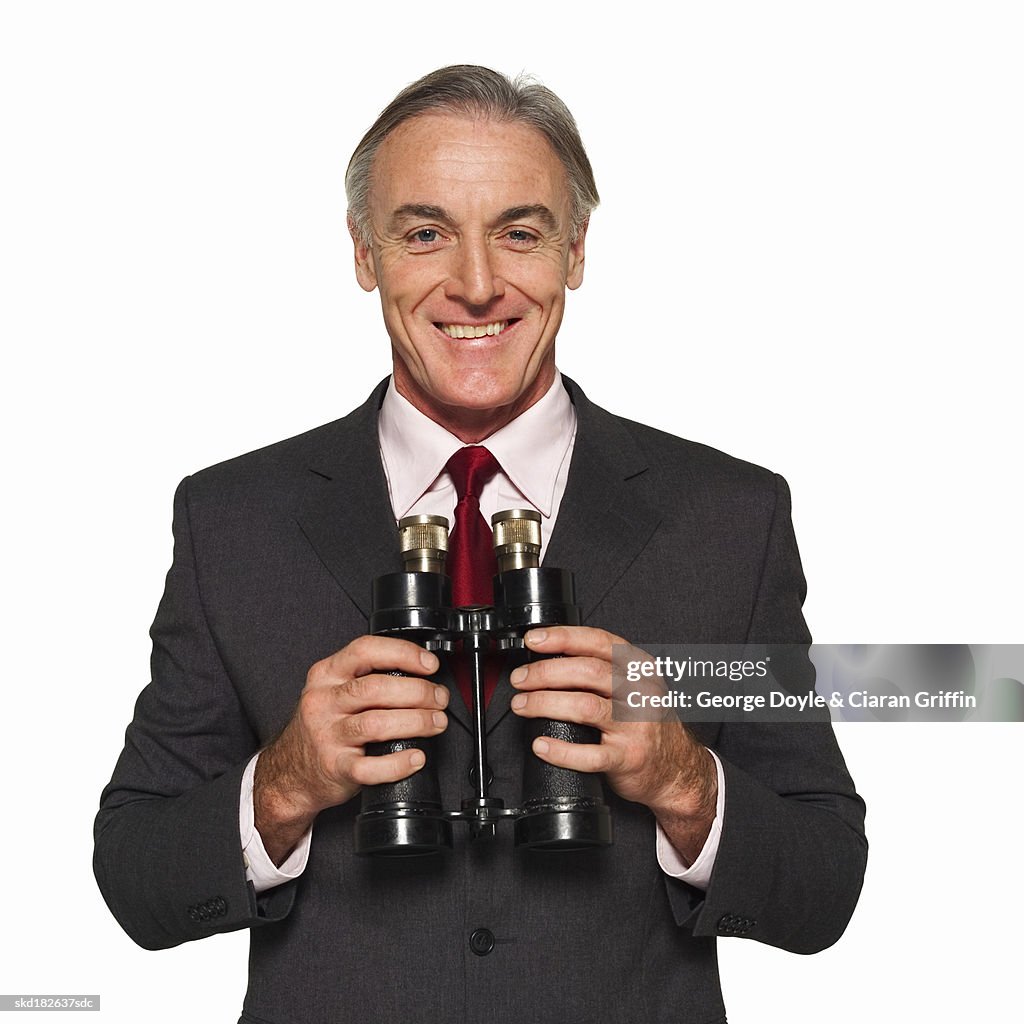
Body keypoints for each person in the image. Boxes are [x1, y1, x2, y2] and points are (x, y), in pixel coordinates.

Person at [94, 65, 867, 1024]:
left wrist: (682, 779)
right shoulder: (234, 522)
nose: (475, 284)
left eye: (520, 232)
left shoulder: (725, 518)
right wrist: (285, 782)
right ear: (364, 253)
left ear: (576, 251)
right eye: (425, 233)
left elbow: (825, 881)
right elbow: (135, 877)